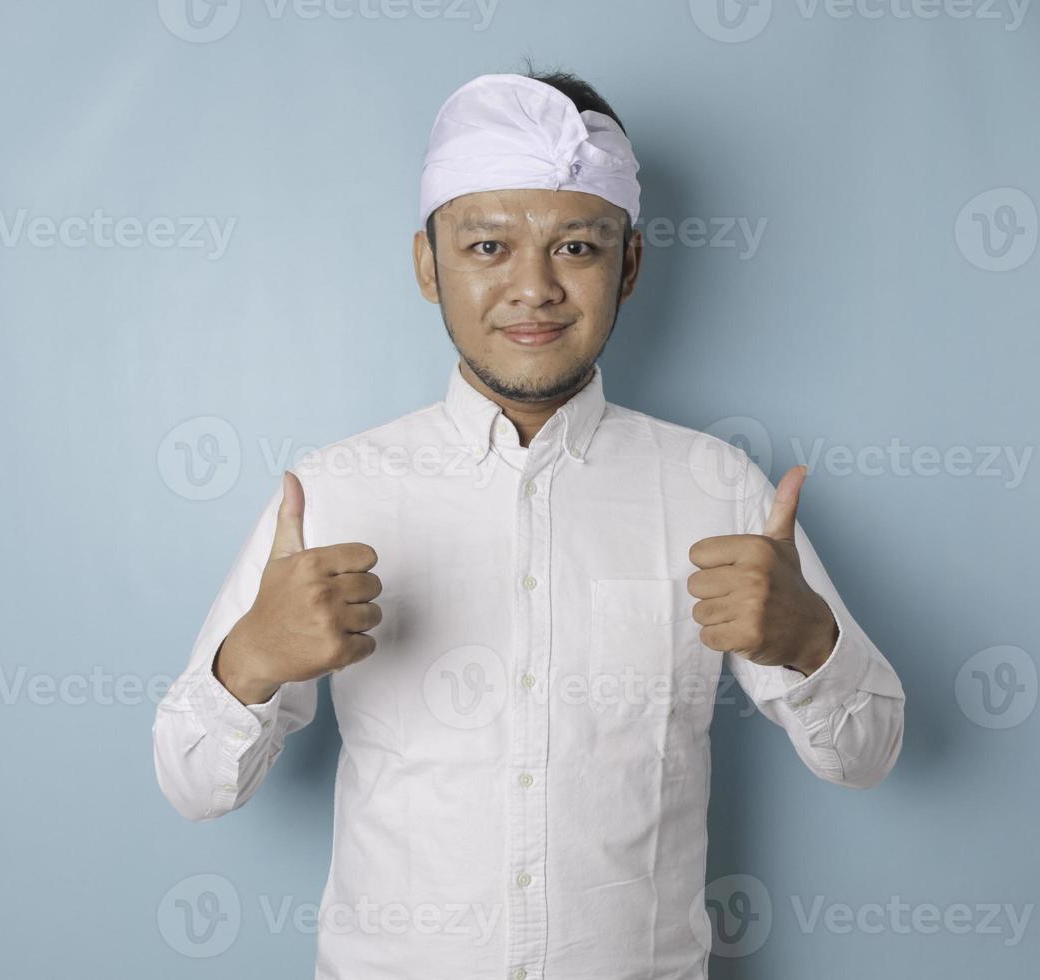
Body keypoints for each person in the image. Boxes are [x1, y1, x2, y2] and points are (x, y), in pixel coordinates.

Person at [153, 67, 906, 979]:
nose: (535, 287)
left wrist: (812, 643)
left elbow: (868, 756)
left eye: (578, 248)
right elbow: (193, 785)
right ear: (429, 265)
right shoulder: (332, 494)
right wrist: (252, 664)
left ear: (628, 265)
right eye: (487, 248)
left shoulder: (718, 487)